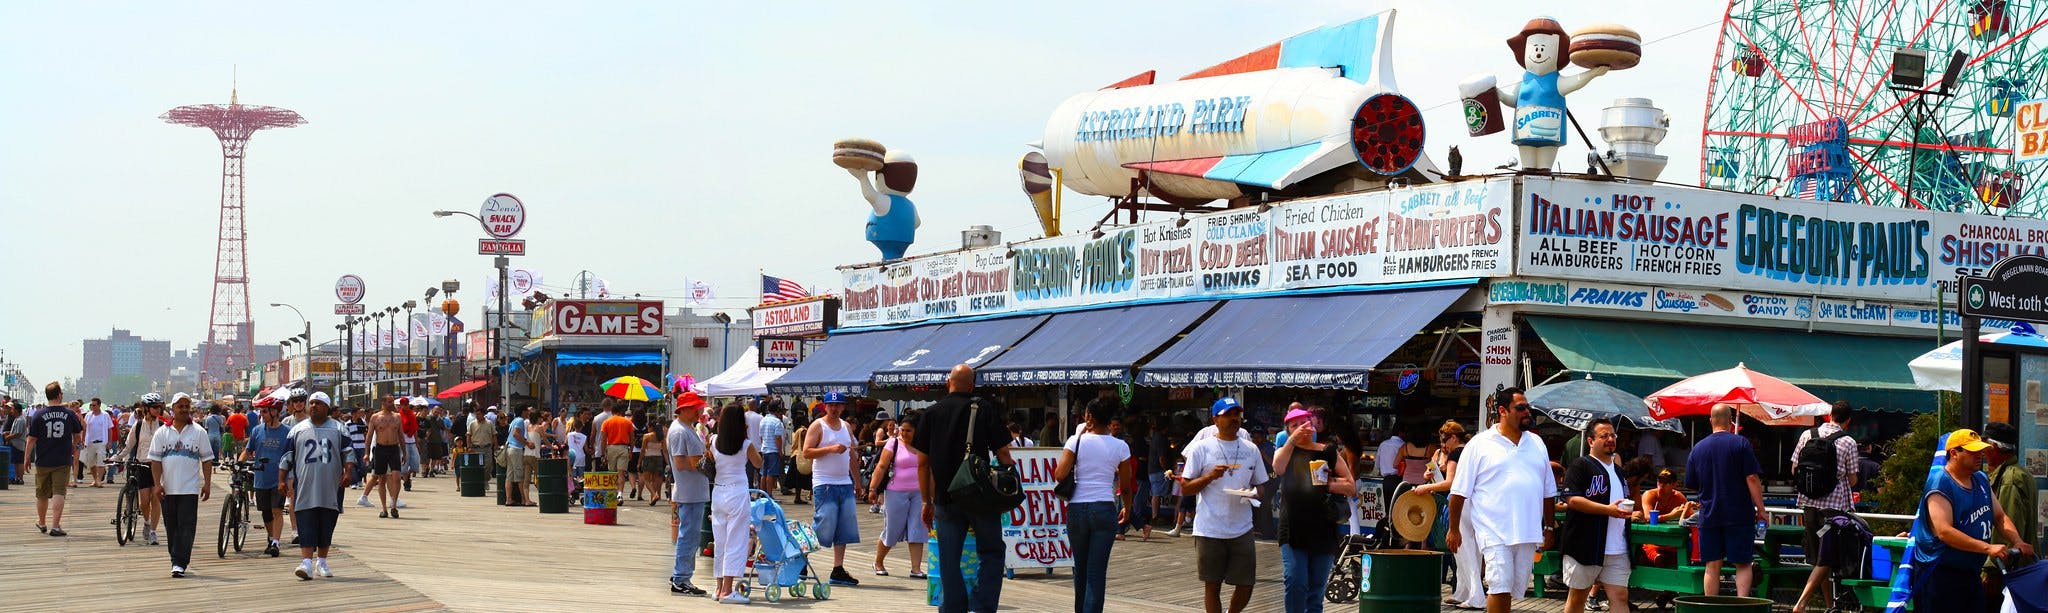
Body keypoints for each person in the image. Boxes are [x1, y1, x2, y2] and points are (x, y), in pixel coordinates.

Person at [910, 365, 1015, 613]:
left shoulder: (931, 414)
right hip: (980, 497)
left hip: (946, 498)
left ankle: (952, 608)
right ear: (972, 384)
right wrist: (1010, 478)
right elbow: (1003, 452)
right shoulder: (984, 409)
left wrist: (927, 501)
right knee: (991, 551)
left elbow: (923, 464)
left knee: (949, 557)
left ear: (949, 383)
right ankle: (982, 606)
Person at [1447, 388, 1557, 613]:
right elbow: (1458, 492)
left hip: (1527, 531)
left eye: (1528, 407)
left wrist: (1549, 527)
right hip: (1493, 530)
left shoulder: (1536, 443)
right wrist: (1453, 529)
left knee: (1512, 588)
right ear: (1502, 411)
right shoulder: (1479, 444)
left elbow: (1548, 490)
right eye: (1521, 408)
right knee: (1498, 585)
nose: (1527, 412)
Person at [1908, 429, 2035, 613]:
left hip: (1970, 574)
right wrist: (1988, 548)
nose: (1980, 456)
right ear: (1954, 453)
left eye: (1980, 451)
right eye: (1973, 452)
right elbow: (1944, 531)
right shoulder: (1941, 482)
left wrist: (2017, 541)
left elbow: (1999, 517)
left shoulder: (1981, 479)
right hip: (1940, 574)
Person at [1179, 397, 1267, 613]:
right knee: (1212, 584)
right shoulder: (1201, 448)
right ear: (1215, 420)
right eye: (1228, 414)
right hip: (1210, 528)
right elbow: (1186, 488)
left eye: (1236, 414)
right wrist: (1209, 477)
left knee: (1247, 583)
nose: (1234, 419)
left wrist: (1253, 493)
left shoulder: (1250, 449)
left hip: (1242, 527)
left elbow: (1261, 487)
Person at [1048, 399, 1132, 613]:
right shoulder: (1121, 446)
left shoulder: (1075, 441)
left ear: (1089, 418)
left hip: (1077, 508)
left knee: (1081, 568)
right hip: (1104, 507)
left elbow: (1059, 475)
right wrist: (1128, 508)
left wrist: (1080, 434)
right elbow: (1126, 486)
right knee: (1096, 572)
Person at [1272, 406, 1354, 613]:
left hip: (1323, 528)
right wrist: (1292, 441)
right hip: (1292, 528)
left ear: (1314, 425)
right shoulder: (1287, 452)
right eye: (1294, 425)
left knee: (1316, 590)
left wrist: (1328, 483)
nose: (1301, 428)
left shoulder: (1328, 451)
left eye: (1304, 423)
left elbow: (1351, 485)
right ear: (1288, 431)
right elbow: (1278, 468)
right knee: (1295, 581)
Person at [1683, 404, 1766, 597]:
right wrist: (1761, 509)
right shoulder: (1741, 444)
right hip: (1739, 514)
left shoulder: (1698, 448)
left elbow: (1691, 483)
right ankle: (1741, 606)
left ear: (1711, 420)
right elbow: (1752, 478)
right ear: (1731, 421)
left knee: (1712, 565)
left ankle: (1711, 608)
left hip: (1709, 514)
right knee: (1743, 564)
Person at [1790, 402, 1860, 613]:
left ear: (1829, 415)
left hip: (1808, 504)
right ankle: (1801, 604)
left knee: (1818, 558)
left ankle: (1829, 606)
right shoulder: (1848, 441)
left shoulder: (1807, 435)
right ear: (1848, 421)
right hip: (1833, 510)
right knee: (1827, 557)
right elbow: (1853, 479)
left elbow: (1794, 468)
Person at [1559, 419, 1633, 613]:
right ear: (1591, 441)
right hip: (1585, 545)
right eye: (1604, 436)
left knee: (1620, 596)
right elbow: (1572, 499)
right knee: (1577, 598)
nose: (1610, 439)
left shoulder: (1618, 471)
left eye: (1613, 435)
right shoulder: (1581, 465)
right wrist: (1607, 510)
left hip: (1617, 546)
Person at [280, 392, 354, 580]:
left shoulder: (339, 428)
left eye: (318, 403)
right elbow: (286, 457)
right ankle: (306, 562)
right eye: (311, 403)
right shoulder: (297, 429)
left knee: (327, 522)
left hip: (331, 485)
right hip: (305, 485)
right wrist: (281, 480)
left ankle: (322, 560)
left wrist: (347, 473)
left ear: (327, 407)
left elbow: (349, 453)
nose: (314, 406)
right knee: (305, 521)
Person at [1409, 420, 1479, 609]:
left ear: (1453, 438)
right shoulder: (1471, 450)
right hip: (1472, 502)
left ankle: (1476, 595)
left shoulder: (1457, 453)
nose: (1443, 446)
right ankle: (1463, 591)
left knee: (1464, 549)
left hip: (1461, 503)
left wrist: (1426, 487)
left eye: (1444, 441)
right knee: (1462, 550)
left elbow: (1451, 483)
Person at [149, 391, 216, 578]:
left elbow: (207, 460)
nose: (184, 409)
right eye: (180, 406)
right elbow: (155, 461)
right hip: (168, 488)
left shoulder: (199, 432)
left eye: (187, 406)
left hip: (189, 489)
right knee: (171, 526)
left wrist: (207, 484)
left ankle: (180, 562)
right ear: (173, 409)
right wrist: (157, 485)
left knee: (187, 526)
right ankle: (175, 557)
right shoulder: (162, 433)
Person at [802, 390, 864, 586]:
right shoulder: (818, 425)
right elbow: (806, 452)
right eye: (831, 405)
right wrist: (830, 449)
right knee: (823, 523)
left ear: (843, 407)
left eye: (838, 405)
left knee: (844, 526)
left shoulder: (846, 427)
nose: (835, 408)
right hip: (824, 482)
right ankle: (801, 558)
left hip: (844, 482)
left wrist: (858, 482)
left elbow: (851, 457)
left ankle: (838, 568)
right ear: (826, 407)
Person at [1982, 422, 2039, 613]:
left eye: (1985, 445)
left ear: (1995, 447)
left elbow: (2005, 525)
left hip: (2008, 571)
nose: (1982, 451)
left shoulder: (2009, 479)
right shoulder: (2019, 473)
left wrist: (1991, 570)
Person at [709, 402, 763, 604]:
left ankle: (718, 587)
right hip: (738, 493)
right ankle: (727, 590)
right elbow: (758, 463)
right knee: (736, 541)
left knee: (720, 541)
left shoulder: (713, 440)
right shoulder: (746, 444)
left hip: (719, 492)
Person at [869, 408, 928, 578]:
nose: (904, 433)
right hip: (896, 491)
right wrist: (873, 488)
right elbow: (880, 466)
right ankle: (878, 561)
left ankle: (916, 568)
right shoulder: (893, 443)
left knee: (918, 529)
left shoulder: (924, 444)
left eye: (908, 430)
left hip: (918, 492)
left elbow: (929, 470)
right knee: (892, 529)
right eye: (902, 429)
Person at [667, 393, 711, 596]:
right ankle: (681, 578)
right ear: (683, 409)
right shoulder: (679, 431)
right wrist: (702, 463)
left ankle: (681, 575)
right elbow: (680, 462)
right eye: (695, 408)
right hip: (689, 491)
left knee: (690, 535)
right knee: (689, 535)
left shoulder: (687, 429)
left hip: (694, 490)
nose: (699, 411)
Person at [26, 382, 85, 536]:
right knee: (59, 492)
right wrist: (74, 445)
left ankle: (42, 522)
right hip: (62, 459)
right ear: (59, 395)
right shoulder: (70, 414)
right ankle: (56, 526)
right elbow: (78, 435)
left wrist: (27, 458)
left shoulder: (38, 414)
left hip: (43, 459)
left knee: (42, 493)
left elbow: (31, 439)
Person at [245, 399, 294, 557]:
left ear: (275, 412)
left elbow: (292, 455)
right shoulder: (257, 431)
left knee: (276, 510)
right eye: (261, 412)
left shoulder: (287, 432)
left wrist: (289, 478)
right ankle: (272, 537)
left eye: (265, 411)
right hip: (260, 478)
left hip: (279, 478)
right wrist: (239, 463)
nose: (262, 415)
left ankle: (276, 542)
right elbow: (248, 450)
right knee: (266, 512)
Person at [1638, 468, 1696, 566]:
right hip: (1651, 539)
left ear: (1674, 485)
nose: (1661, 485)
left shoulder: (1678, 497)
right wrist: (1671, 516)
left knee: (1686, 547)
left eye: (1666, 482)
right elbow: (1648, 518)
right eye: (1659, 481)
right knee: (1652, 553)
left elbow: (1692, 518)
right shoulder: (1650, 495)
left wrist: (1687, 509)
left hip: (1671, 542)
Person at [366, 397, 407, 517]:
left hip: (394, 448)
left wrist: (404, 452)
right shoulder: (375, 417)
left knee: (396, 477)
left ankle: (393, 505)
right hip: (380, 449)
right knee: (382, 479)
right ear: (383, 403)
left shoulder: (397, 417)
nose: (392, 404)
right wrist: (367, 453)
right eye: (389, 402)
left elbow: (401, 436)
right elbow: (369, 437)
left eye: (393, 402)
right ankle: (384, 509)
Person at [80, 398, 113, 488]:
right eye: (91, 405)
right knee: (91, 463)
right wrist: (82, 440)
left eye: (94, 405)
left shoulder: (105, 415)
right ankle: (95, 480)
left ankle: (99, 480)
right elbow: (85, 428)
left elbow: (110, 429)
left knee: (101, 462)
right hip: (90, 442)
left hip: (101, 442)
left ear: (99, 405)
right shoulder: (88, 415)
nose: (92, 407)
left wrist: (110, 441)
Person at [759, 400, 786, 500]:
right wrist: (780, 451)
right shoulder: (777, 422)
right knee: (770, 473)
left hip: (765, 449)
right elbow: (778, 438)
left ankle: (762, 493)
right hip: (773, 450)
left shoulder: (763, 420)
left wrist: (763, 446)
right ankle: (769, 495)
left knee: (763, 473)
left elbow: (761, 436)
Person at [639, 414, 666, 506]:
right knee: (654, 479)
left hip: (648, 457)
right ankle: (653, 497)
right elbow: (664, 450)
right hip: (658, 457)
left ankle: (654, 494)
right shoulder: (661, 437)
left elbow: (642, 450)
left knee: (646, 479)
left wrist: (639, 462)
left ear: (651, 427)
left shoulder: (647, 436)